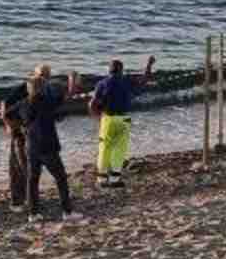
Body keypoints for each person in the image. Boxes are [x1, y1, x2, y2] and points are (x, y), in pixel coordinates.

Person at [18, 68, 81, 223]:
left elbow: (17, 118)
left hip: (31, 146)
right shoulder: (47, 101)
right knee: (61, 178)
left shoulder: (23, 104)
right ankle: (67, 212)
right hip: (48, 145)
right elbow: (65, 99)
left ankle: (33, 214)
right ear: (42, 88)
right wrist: (72, 81)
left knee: (33, 180)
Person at [90, 55, 155, 188]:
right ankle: (115, 180)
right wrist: (149, 64)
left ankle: (102, 180)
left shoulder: (101, 84)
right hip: (123, 118)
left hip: (107, 118)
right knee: (119, 149)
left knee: (104, 148)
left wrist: (97, 117)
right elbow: (144, 80)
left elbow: (92, 103)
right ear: (121, 70)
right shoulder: (127, 82)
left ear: (109, 70)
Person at [0, 65, 48, 213]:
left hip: (32, 134)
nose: (44, 79)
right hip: (19, 132)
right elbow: (4, 105)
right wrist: (11, 127)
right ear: (34, 75)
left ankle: (30, 199)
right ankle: (17, 201)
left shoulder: (43, 89)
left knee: (31, 167)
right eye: (41, 75)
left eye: (47, 76)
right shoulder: (23, 88)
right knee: (18, 167)